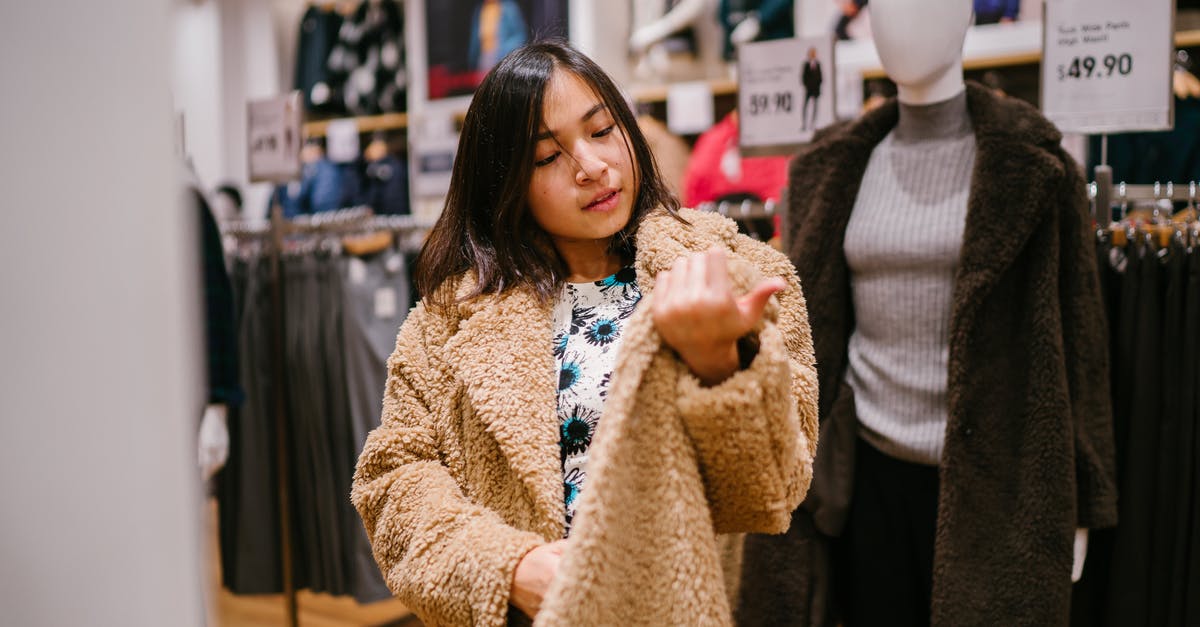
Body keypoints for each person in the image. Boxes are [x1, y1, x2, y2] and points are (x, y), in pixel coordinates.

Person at [352, 39, 819, 626]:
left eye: (601, 131)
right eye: (547, 158)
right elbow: (394, 478)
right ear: (506, 184)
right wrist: (508, 566)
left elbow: (773, 489)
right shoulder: (450, 318)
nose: (591, 166)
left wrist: (716, 363)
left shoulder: (727, 268)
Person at [737, 0, 1117, 625]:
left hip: (996, 475)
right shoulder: (828, 169)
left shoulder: (1036, 165)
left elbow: (1081, 341)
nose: (903, 21)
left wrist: (1084, 500)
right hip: (864, 477)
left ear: (966, 14)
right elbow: (809, 333)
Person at [801, 46, 823, 131]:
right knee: (805, 106)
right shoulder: (806, 65)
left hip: (816, 89)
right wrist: (807, 86)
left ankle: (812, 124)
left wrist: (817, 86)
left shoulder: (818, 64)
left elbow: (820, 77)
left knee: (815, 107)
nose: (813, 55)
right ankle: (804, 124)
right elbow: (803, 77)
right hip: (808, 89)